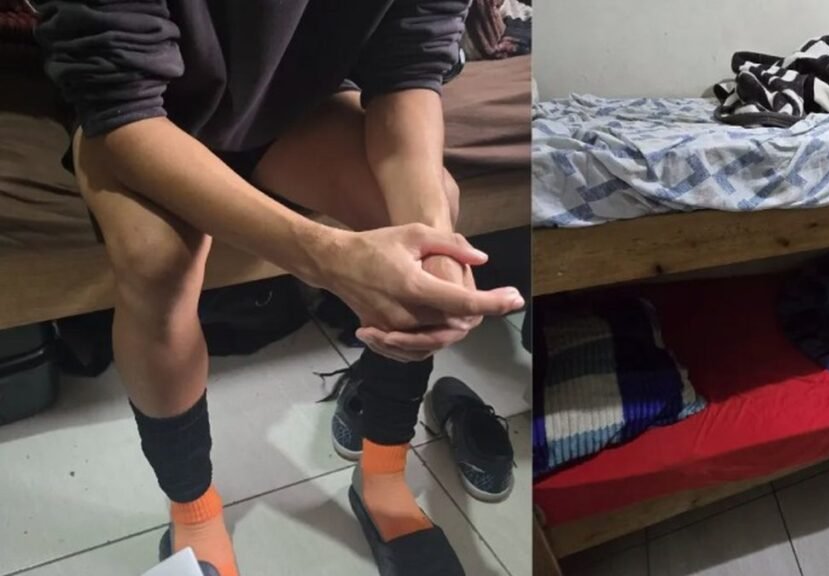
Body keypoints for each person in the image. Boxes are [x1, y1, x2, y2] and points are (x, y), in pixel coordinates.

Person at [34, 2, 523, 575]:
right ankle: (194, 512)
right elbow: (118, 100)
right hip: (142, 114)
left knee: (426, 219)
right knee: (156, 260)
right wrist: (326, 258)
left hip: (290, 107)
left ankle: (383, 475)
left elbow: (410, 63)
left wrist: (434, 244)